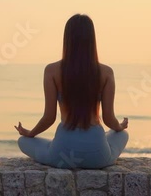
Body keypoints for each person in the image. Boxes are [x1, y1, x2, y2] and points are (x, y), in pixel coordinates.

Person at [15, 14, 128, 169]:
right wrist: (120, 126)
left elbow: (49, 118)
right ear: (92, 39)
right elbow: (109, 120)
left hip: (63, 154)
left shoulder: (51, 71)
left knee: (23, 142)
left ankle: (53, 147)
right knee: (122, 135)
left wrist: (30, 133)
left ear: (67, 38)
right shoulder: (106, 72)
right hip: (98, 157)